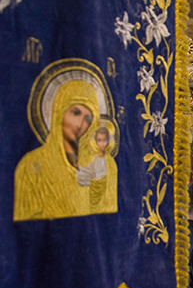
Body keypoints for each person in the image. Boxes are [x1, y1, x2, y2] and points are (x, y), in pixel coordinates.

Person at [14, 80, 118, 221]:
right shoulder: (32, 165)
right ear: (59, 111)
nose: (80, 125)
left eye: (87, 119)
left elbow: (109, 220)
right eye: (75, 113)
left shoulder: (107, 165)